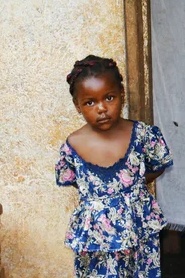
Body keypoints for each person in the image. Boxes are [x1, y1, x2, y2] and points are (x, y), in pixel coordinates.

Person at [55, 55, 173, 277]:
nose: (101, 108)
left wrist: (132, 185)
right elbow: (74, 181)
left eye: (109, 97)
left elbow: (158, 166)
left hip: (139, 233)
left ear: (122, 95)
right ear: (77, 106)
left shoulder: (143, 135)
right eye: (90, 102)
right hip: (96, 242)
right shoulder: (72, 146)